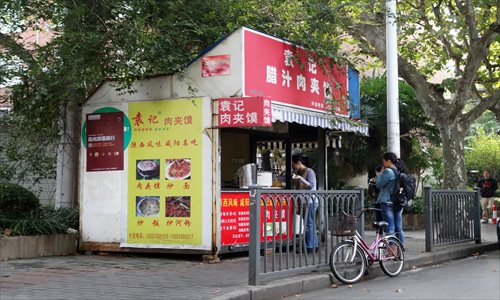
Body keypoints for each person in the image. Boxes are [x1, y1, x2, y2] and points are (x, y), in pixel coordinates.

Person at [375, 152, 404, 245]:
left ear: (388, 161)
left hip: (387, 202)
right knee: (398, 228)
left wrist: (380, 174)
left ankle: (392, 251)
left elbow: (378, 184)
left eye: (383, 161)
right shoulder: (398, 171)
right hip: (397, 202)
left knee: (390, 227)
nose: (383, 163)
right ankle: (400, 250)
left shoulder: (388, 171)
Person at [292, 154, 318, 253]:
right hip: (304, 201)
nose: (293, 166)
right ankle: (314, 245)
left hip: (310, 201)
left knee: (308, 224)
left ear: (299, 163)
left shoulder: (309, 171)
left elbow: (311, 185)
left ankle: (309, 246)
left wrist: (300, 179)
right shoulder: (299, 172)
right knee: (310, 224)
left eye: (293, 164)